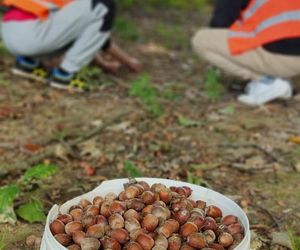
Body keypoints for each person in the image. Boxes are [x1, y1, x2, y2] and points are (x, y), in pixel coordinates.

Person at [0, 0, 142, 91]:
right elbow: (99, 37)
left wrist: (103, 64)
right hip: (31, 34)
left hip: (10, 32)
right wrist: (127, 60)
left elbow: (81, 33)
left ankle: (27, 64)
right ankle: (65, 76)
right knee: (104, 6)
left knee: (77, 23)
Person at [192, 0, 300, 106]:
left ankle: (268, 82)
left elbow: (220, 23)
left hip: (281, 57)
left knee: (201, 40)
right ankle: (285, 78)